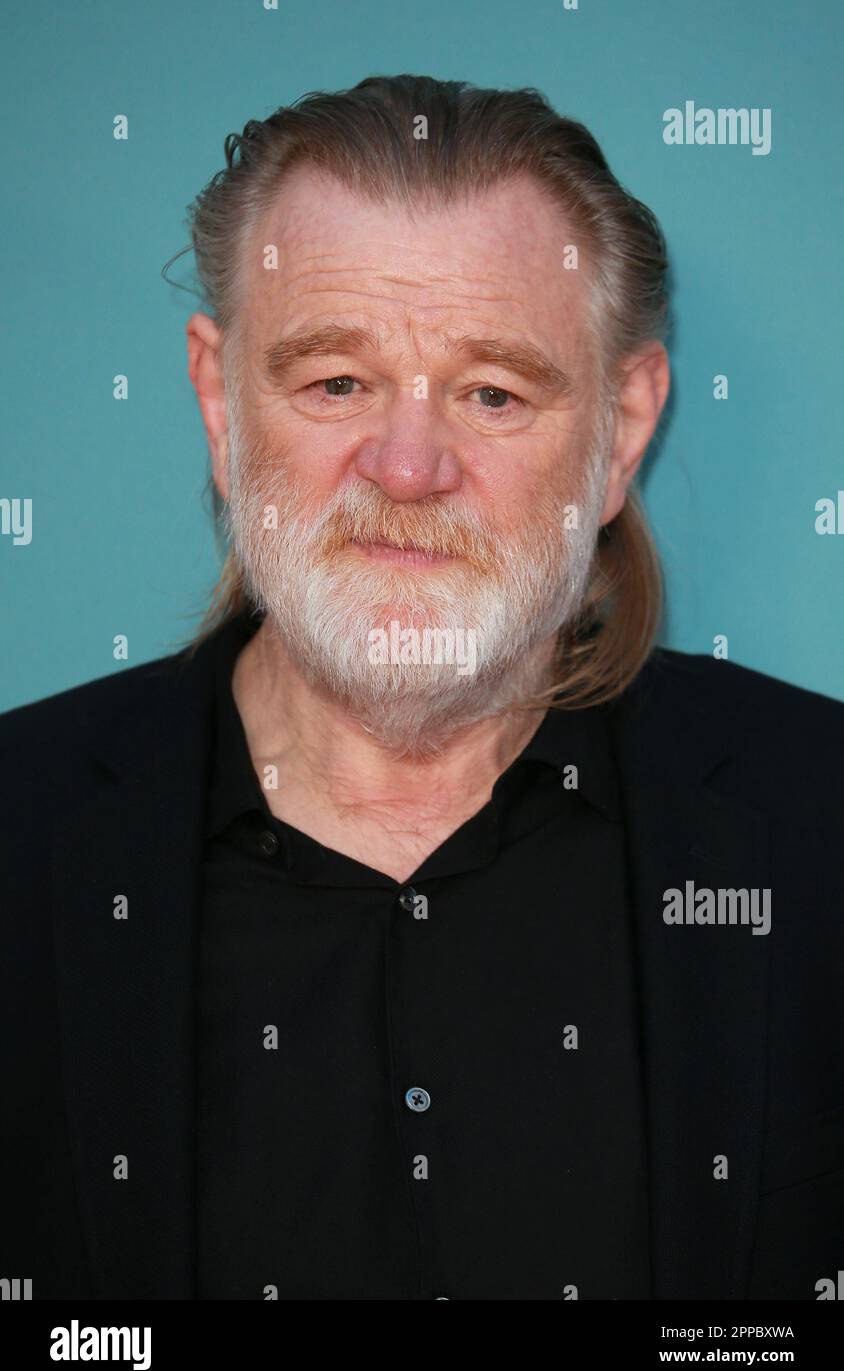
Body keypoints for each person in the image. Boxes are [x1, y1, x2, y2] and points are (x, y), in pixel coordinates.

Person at [2, 74, 842, 1301]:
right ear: (219, 402)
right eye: (335, 381)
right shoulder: (17, 835)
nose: (406, 466)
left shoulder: (821, 827)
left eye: (492, 393)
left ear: (619, 428)